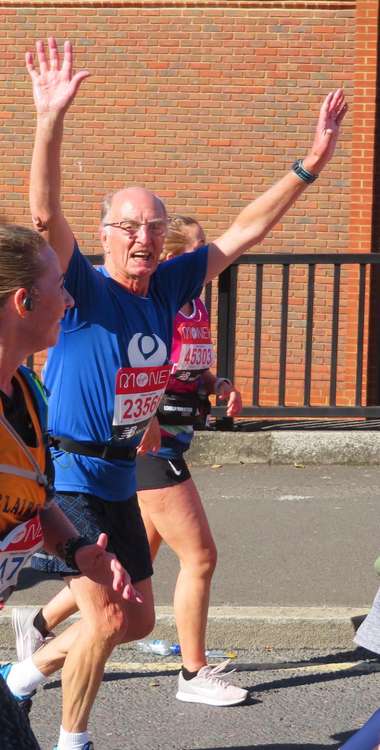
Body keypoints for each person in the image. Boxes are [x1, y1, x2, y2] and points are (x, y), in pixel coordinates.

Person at [4, 36, 346, 750]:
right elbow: (42, 213)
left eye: (154, 227)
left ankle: (22, 676)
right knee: (102, 622)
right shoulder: (84, 288)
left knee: (137, 623)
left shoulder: (169, 285)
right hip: (68, 471)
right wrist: (48, 118)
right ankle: (74, 741)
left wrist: (308, 166)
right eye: (128, 226)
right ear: (103, 234)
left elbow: (244, 231)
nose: (143, 237)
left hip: (123, 475)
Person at [0, 223, 138, 750]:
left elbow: (38, 497)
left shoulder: (30, 391)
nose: (71, 296)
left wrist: (77, 549)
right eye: (59, 284)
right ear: (23, 301)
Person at [135, 214, 245, 706]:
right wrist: (147, 414)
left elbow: (193, 371)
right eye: (194, 250)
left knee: (133, 560)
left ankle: (37, 633)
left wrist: (217, 385)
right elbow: (135, 367)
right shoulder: (155, 302)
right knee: (200, 556)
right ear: (172, 257)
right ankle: (192, 672)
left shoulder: (195, 305)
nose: (204, 259)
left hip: (177, 439)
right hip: (148, 445)